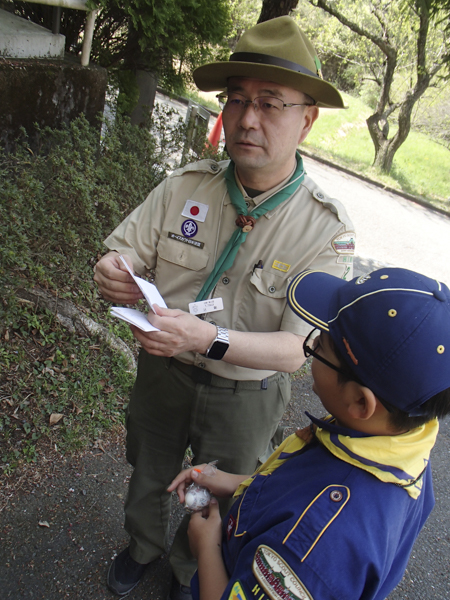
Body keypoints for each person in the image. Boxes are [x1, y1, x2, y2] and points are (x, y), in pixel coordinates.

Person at [93, 16, 355, 599]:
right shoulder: (185, 186)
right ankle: (142, 546)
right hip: (163, 375)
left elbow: (295, 351)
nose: (247, 118)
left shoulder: (324, 230)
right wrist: (111, 271)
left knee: (215, 489)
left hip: (246, 393)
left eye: (270, 103)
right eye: (236, 99)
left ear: (307, 119)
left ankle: (191, 568)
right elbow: (121, 252)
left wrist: (204, 338)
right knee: (150, 469)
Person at [168, 266, 450, 600]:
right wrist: (234, 482)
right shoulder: (397, 446)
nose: (312, 344)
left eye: (321, 347)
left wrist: (207, 545)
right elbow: (296, 486)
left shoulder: (311, 547)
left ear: (360, 401)